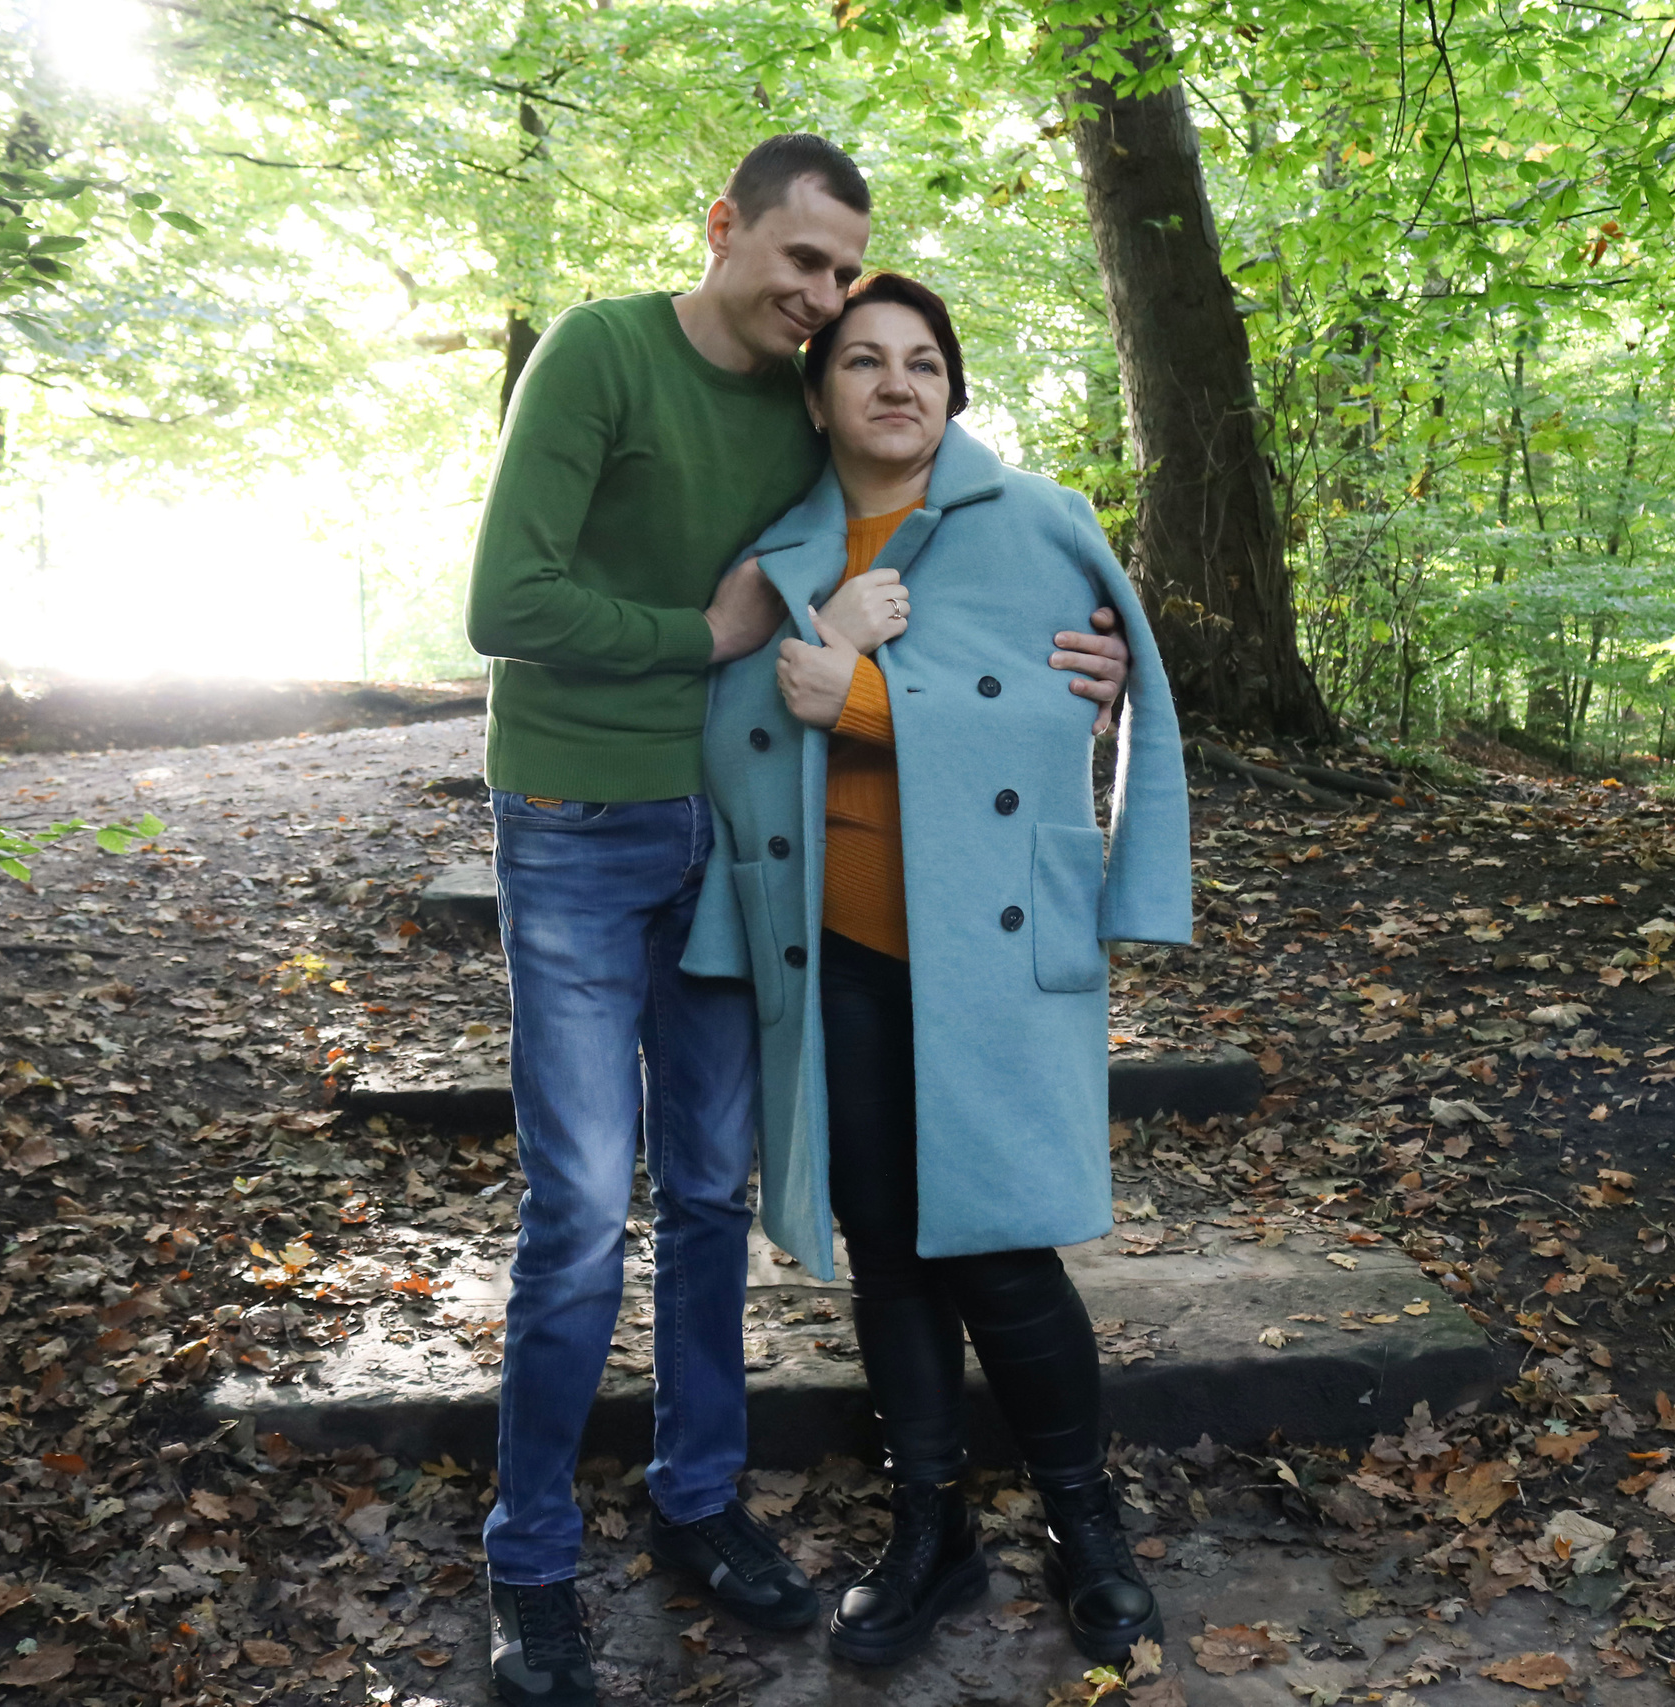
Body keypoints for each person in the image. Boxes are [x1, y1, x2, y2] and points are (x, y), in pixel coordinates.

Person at [463, 139, 1132, 1707]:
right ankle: (530, 1557)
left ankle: (699, 1498)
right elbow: (506, 604)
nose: (827, 304)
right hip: (575, 821)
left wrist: (1078, 661)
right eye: (809, 269)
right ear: (725, 229)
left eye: (849, 280)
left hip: (728, 853)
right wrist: (715, 636)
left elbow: (952, 523)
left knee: (709, 1190)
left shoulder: (809, 396)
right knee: (577, 1216)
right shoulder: (602, 353)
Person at [683, 272, 1191, 1669]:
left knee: (1006, 1249)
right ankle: (934, 1533)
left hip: (996, 949)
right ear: (817, 391)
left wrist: (856, 695)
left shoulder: (1039, 525)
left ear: (954, 390)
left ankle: (1085, 1527)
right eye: (863, 361)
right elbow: (727, 746)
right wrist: (826, 639)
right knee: (891, 1254)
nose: (897, 383)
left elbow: (1080, 720)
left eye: (924, 362)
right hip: (831, 949)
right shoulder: (780, 551)